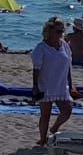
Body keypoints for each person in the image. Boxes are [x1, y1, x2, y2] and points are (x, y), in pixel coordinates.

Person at [31, 16, 75, 145]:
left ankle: (55, 128)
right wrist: (35, 85)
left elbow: (68, 66)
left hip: (61, 84)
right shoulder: (41, 48)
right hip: (46, 84)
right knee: (45, 115)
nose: (61, 34)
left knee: (67, 111)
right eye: (58, 31)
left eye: (62, 31)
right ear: (49, 31)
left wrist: (70, 83)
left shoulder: (64, 45)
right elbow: (36, 68)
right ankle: (42, 139)